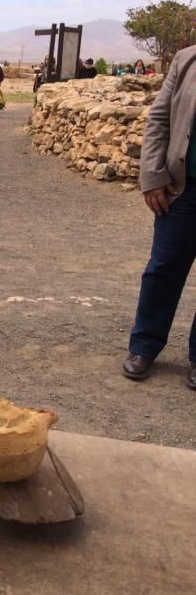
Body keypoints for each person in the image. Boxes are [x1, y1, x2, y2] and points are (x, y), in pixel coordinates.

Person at [121, 43, 196, 390]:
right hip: (183, 189)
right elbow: (159, 120)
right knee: (163, 269)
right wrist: (152, 176)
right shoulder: (187, 59)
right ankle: (144, 346)